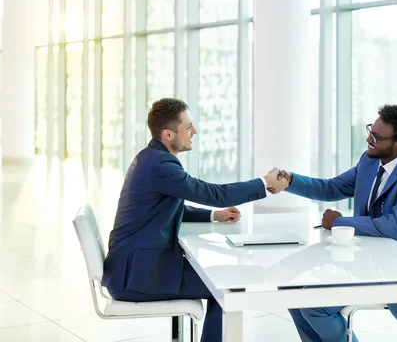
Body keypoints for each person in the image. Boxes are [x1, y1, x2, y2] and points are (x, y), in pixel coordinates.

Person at [102, 98, 288, 342]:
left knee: (225, 279)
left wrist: (213, 215)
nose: (194, 131)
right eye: (188, 126)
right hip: (138, 277)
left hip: (134, 268)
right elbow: (214, 193)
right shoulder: (161, 165)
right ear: (168, 134)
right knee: (228, 283)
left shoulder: (149, 157)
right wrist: (265, 184)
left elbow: (166, 205)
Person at [272, 104, 397, 342]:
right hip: (365, 258)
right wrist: (290, 181)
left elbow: (395, 227)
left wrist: (340, 222)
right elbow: (333, 187)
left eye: (377, 137)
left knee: (313, 305)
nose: (368, 138)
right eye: (371, 129)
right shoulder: (370, 161)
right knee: (290, 287)